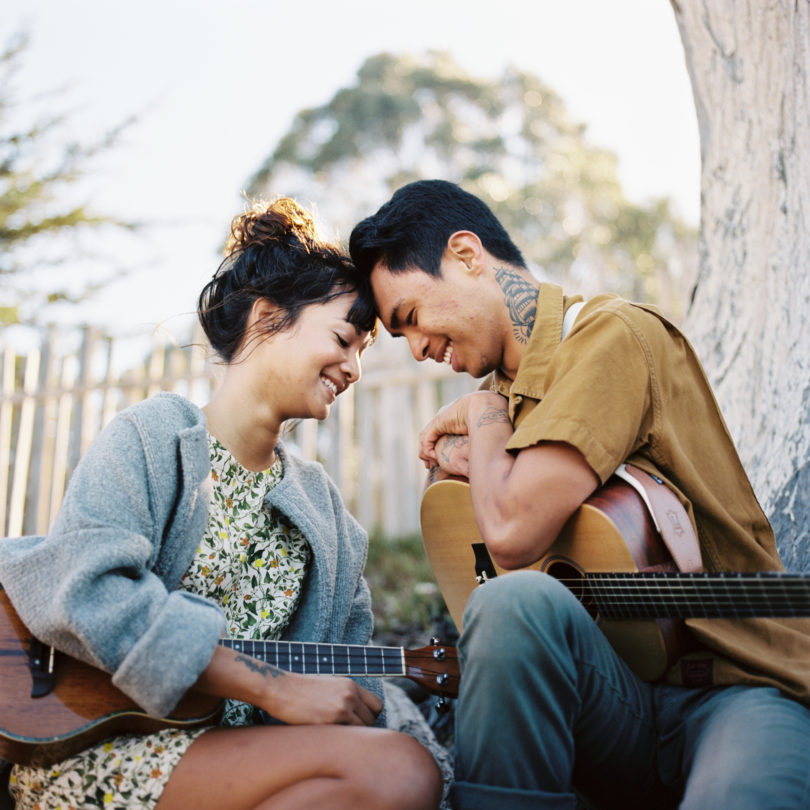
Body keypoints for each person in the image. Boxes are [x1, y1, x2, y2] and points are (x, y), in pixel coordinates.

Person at [349, 179, 810, 810]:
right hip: (614, 706)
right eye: (401, 339)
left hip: (741, 689)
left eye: (410, 318)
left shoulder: (607, 336)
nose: (420, 349)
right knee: (513, 606)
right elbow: (488, 577)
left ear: (465, 254)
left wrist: (484, 418)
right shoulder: (499, 399)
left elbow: (511, 534)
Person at [0, 198, 442, 810]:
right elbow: (90, 590)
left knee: (402, 769)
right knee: (399, 773)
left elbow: (352, 668)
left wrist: (352, 699)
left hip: (246, 758)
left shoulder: (328, 516)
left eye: (364, 350)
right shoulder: (154, 437)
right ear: (266, 318)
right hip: (104, 747)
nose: (356, 368)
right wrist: (272, 686)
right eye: (344, 338)